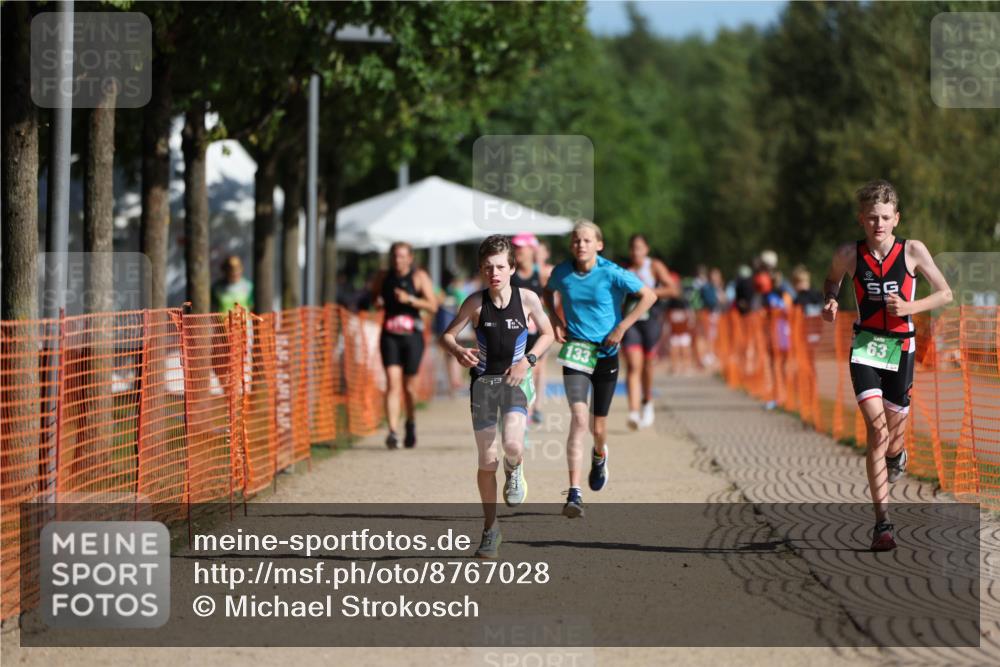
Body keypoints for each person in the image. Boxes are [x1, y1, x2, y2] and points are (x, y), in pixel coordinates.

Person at [821, 179, 952, 551]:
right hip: (865, 346)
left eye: (884, 217)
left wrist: (910, 307)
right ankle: (883, 524)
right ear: (861, 219)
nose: (878, 224)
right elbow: (831, 281)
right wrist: (831, 300)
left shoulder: (912, 251)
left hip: (901, 347)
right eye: (871, 217)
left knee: (893, 437)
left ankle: (898, 454)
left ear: (896, 218)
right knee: (876, 432)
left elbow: (945, 293)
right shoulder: (849, 254)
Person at [440, 235, 554, 558]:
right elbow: (446, 336)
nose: (494, 273)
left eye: (501, 267)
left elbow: (548, 334)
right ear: (481, 269)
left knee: (513, 445)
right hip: (484, 385)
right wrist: (458, 351)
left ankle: (514, 468)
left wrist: (527, 361)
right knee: (487, 460)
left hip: (516, 381)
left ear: (512, 268)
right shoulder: (475, 303)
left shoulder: (528, 299)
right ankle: (491, 529)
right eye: (488, 267)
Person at [544, 220, 656, 518]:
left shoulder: (612, 272)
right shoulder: (562, 272)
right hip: (577, 352)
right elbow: (547, 292)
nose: (580, 245)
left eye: (586, 240)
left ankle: (599, 455)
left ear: (599, 245)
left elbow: (649, 296)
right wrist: (555, 321)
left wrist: (622, 327)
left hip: (606, 353)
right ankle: (574, 493)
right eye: (576, 240)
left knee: (598, 428)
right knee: (579, 420)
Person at [371, 242, 438, 449]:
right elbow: (374, 296)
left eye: (401, 256)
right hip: (390, 335)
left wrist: (409, 299)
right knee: (392, 383)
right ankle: (392, 431)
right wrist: (378, 302)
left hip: (412, 337)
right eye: (394, 256)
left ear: (410, 258)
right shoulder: (383, 276)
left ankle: (410, 422)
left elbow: (433, 305)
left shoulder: (419, 277)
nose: (397, 260)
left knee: (409, 388)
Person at [621, 234, 677, 430]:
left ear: (646, 249)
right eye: (633, 248)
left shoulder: (654, 266)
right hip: (631, 321)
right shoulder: (624, 269)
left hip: (651, 320)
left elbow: (672, 289)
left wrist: (647, 292)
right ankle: (633, 412)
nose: (635, 252)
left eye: (639, 247)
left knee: (647, 365)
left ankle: (647, 401)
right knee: (633, 365)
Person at [510, 233, 548, 425]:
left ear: (531, 250)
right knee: (524, 367)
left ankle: (534, 407)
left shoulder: (541, 273)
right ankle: (523, 407)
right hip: (518, 329)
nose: (518, 251)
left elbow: (551, 298)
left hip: (538, 329)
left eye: (521, 247)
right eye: (515, 247)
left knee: (538, 368)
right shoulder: (510, 274)